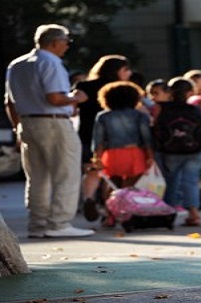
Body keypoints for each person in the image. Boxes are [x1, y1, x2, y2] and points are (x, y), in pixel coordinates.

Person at [4, 24, 93, 238]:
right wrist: (76, 97)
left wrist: (17, 127)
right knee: (67, 173)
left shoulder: (17, 64)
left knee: (37, 176)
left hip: (26, 122)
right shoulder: (51, 62)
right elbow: (54, 98)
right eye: (66, 42)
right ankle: (59, 223)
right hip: (53, 122)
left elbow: (9, 102)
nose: (67, 46)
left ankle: (38, 224)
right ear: (55, 42)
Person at [75, 55, 132, 221]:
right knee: (111, 174)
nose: (128, 73)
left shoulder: (84, 86)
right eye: (125, 70)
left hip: (87, 134)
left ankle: (88, 198)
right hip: (115, 137)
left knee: (92, 170)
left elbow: (72, 108)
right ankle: (108, 211)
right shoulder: (121, 89)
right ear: (116, 72)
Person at [154, 77, 201, 226]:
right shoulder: (195, 109)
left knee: (171, 181)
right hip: (194, 149)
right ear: (190, 92)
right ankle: (194, 213)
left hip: (171, 150)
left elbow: (157, 128)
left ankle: (169, 213)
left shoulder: (162, 108)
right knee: (191, 181)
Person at [91, 81, 154, 192]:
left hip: (112, 154)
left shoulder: (103, 116)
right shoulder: (140, 115)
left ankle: (111, 206)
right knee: (130, 186)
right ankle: (127, 206)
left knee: (112, 184)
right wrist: (150, 156)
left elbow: (98, 140)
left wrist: (97, 157)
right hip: (135, 153)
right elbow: (147, 138)